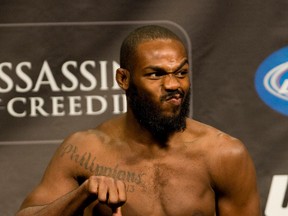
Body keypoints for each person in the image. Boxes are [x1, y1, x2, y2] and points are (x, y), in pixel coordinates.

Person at [16, 25, 261, 216]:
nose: (173, 85)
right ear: (123, 79)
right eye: (156, 74)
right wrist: (81, 195)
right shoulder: (83, 151)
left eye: (181, 73)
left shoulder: (224, 154)